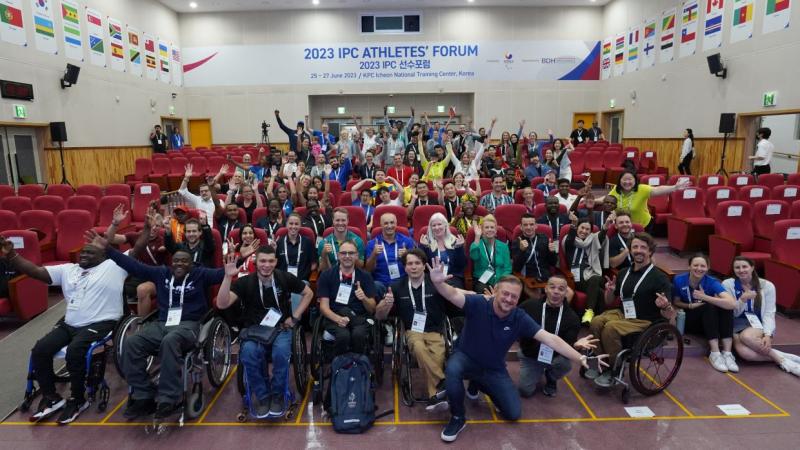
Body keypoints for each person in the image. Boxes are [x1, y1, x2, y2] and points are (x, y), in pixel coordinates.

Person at [427, 262, 604, 443]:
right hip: (466, 358)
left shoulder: (519, 317)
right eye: (505, 293)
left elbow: (551, 339)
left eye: (514, 296)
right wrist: (439, 283)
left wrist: (581, 356)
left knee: (513, 413)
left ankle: (477, 383)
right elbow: (453, 294)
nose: (509, 299)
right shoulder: (478, 303)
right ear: (495, 291)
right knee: (453, 369)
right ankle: (458, 417)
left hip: (493, 368)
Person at [94, 226, 227, 421]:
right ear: (171, 263)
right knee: (132, 343)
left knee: (170, 341)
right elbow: (132, 266)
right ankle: (143, 394)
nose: (179, 264)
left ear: (191, 264)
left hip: (189, 325)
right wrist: (109, 250)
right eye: (176, 261)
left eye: (184, 261)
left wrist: (237, 263)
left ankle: (169, 397)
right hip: (163, 323)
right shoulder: (162, 273)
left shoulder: (200, 274)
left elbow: (224, 273)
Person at [0, 236, 124, 424]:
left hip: (100, 323)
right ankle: (51, 397)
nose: (84, 254)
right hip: (70, 324)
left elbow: (138, 248)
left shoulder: (113, 267)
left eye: (90, 252)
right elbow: (35, 271)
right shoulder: (68, 269)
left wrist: (147, 229)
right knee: (40, 349)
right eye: (83, 251)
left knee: (75, 351)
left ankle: (78, 399)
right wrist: (12, 256)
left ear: (103, 256)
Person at [216, 247, 314, 418]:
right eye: (262, 261)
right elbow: (222, 304)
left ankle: (277, 395)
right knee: (248, 353)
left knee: (281, 353)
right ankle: (263, 396)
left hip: (280, 328)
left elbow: (308, 293)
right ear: (256, 262)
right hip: (254, 330)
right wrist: (227, 276)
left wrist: (295, 317)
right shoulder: (245, 282)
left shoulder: (284, 278)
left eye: (270, 261)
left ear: (276, 262)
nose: (266, 265)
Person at [589, 233, 674, 387]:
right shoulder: (623, 273)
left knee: (610, 328)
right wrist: (609, 291)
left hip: (645, 320)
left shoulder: (659, 278)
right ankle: (602, 362)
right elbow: (609, 302)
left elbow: (669, 315)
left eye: (643, 247)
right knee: (595, 321)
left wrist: (665, 306)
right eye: (635, 247)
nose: (638, 250)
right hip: (623, 314)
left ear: (650, 252)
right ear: (630, 250)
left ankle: (614, 370)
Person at [375, 250, 449, 410]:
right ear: (405, 267)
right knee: (419, 348)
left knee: (438, 355)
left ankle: (434, 396)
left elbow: (456, 296)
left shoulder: (436, 282)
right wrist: (385, 305)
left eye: (417, 263)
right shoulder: (396, 286)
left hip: (435, 330)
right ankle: (443, 381)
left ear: (424, 266)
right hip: (412, 331)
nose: (413, 267)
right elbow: (379, 315)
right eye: (410, 264)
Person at [519, 276, 597, 397]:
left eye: (561, 289)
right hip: (530, 355)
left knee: (564, 364)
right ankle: (536, 371)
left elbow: (567, 346)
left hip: (553, 357)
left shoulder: (572, 318)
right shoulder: (529, 306)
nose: (556, 291)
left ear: (565, 293)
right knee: (525, 391)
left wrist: (575, 346)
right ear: (545, 289)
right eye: (552, 287)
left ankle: (551, 378)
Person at [724, 256, 800, 376]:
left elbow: (769, 313)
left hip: (756, 323)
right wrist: (742, 300)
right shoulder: (728, 284)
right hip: (735, 322)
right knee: (745, 353)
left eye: (744, 266)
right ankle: (780, 356)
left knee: (747, 337)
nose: (741, 270)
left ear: (752, 267)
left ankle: (786, 364)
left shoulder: (767, 286)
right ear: (733, 270)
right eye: (737, 267)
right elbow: (732, 312)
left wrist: (768, 335)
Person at [672, 254, 737, 373]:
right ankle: (715, 353)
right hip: (690, 320)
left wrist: (705, 297)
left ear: (707, 268)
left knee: (724, 307)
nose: (699, 268)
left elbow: (732, 304)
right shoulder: (679, 279)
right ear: (689, 266)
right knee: (709, 307)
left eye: (703, 266)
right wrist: (690, 305)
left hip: (708, 322)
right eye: (695, 265)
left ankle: (727, 353)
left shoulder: (712, 282)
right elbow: (676, 302)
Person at [317, 240, 377, 355]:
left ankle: (358, 366)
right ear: (338, 256)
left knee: (358, 335)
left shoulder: (365, 276)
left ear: (356, 256)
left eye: (351, 253)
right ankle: (340, 368)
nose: (347, 256)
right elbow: (323, 307)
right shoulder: (327, 275)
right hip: (335, 317)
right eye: (344, 253)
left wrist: (364, 298)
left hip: (359, 317)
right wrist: (338, 319)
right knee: (343, 336)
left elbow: (372, 308)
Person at [600, 170, 690, 228]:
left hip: (642, 226)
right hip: (623, 226)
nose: (627, 182)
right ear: (620, 181)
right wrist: (591, 200)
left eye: (630, 179)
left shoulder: (642, 189)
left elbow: (658, 189)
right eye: (624, 180)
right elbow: (607, 199)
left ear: (635, 180)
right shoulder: (616, 189)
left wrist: (674, 187)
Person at [565, 216, 608, 324]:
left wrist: (606, 226)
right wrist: (573, 225)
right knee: (599, 292)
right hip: (577, 278)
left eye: (587, 229)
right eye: (582, 228)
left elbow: (601, 236)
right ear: (577, 228)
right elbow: (570, 238)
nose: (584, 231)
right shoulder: (569, 241)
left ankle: (589, 315)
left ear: (590, 232)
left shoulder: (593, 240)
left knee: (595, 280)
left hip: (594, 274)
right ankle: (598, 319)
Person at [365, 213, 415, 296]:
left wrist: (407, 256)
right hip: (381, 284)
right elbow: (368, 270)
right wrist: (374, 255)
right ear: (381, 225)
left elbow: (415, 266)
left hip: (401, 282)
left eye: (392, 223)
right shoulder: (372, 244)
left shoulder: (407, 241)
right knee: (376, 286)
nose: (389, 226)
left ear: (396, 224)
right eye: (386, 223)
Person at [420, 212, 467, 289]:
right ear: (430, 228)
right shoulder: (426, 242)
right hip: (432, 279)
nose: (437, 228)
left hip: (452, 277)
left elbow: (461, 265)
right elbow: (423, 266)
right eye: (434, 225)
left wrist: (459, 248)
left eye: (439, 224)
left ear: (445, 225)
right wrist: (424, 248)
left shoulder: (455, 241)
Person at [512, 214, 558, 290]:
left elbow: (553, 263)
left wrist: (552, 252)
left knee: (569, 293)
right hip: (528, 279)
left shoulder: (544, 238)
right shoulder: (517, 242)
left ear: (536, 226)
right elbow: (516, 268)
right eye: (525, 225)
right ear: (521, 227)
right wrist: (522, 251)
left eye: (531, 224)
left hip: (546, 278)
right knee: (537, 296)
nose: (529, 227)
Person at [469, 215, 511, 294]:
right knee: (483, 291)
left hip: (500, 279)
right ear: (482, 230)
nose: (489, 230)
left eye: (492, 227)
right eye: (487, 227)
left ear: (496, 230)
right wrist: (477, 236)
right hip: (482, 280)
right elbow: (474, 257)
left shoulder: (504, 246)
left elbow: (507, 268)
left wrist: (500, 282)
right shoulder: (477, 244)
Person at [178, 164, 224, 229]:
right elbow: (182, 191)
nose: (204, 193)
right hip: (201, 229)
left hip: (216, 228)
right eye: (201, 191)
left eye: (206, 191)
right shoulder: (197, 199)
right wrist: (186, 178)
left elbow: (223, 216)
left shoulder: (219, 201)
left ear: (210, 191)